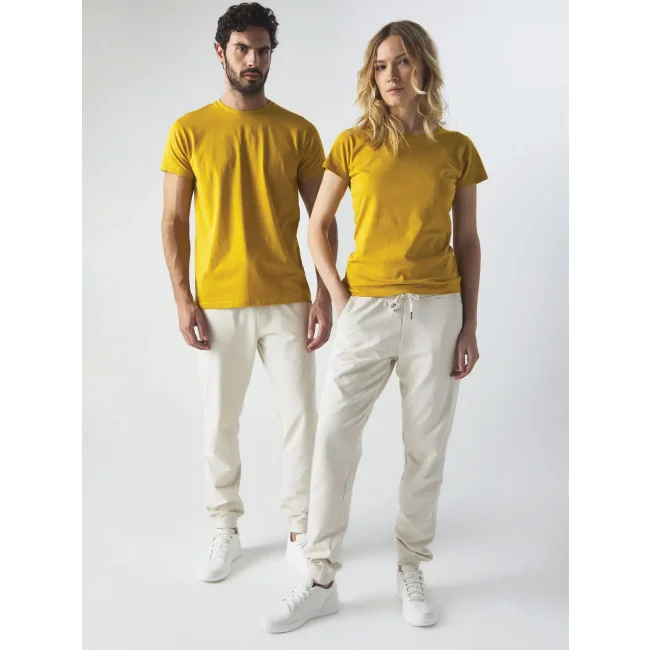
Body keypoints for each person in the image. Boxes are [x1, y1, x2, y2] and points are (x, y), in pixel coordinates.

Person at [261, 20, 488, 632]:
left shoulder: (456, 148)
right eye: (381, 65)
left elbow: (467, 239)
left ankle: (411, 567)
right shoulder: (353, 143)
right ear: (371, 75)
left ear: (424, 69)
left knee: (425, 448)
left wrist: (470, 324)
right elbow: (317, 225)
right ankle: (320, 577)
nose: (392, 75)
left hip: (437, 312)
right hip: (366, 310)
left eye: (403, 62)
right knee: (334, 439)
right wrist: (338, 295)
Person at [160, 2, 337, 583]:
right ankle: (225, 528)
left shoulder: (298, 131)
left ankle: (300, 529)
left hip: (288, 298)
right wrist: (183, 298)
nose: (252, 60)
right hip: (218, 302)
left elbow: (322, 219)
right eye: (242, 49)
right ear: (221, 52)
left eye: (262, 50)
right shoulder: (189, 130)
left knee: (301, 420)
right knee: (219, 423)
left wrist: (323, 293)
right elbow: (173, 221)